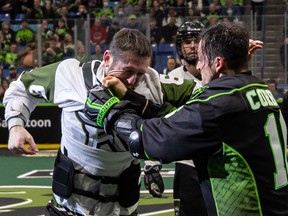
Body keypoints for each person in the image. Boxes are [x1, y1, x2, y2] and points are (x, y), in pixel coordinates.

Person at [86, 22, 288, 216]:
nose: (199, 66)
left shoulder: (216, 104)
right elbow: (176, 119)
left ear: (218, 63)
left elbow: (150, 140)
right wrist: (132, 98)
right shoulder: (261, 89)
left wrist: (111, 111)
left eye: (201, 59)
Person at [4, 28, 199, 216]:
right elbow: (21, 88)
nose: (132, 80)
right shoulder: (71, 75)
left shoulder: (153, 83)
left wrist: (145, 105)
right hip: (66, 208)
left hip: (122, 209)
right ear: (107, 58)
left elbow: (204, 100)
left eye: (140, 73)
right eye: (127, 70)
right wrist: (16, 124)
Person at [168, 21, 207, 216]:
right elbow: (161, 118)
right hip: (186, 164)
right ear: (180, 47)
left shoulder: (217, 73)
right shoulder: (171, 77)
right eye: (187, 41)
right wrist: (151, 165)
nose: (192, 46)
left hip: (215, 161)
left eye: (196, 41)